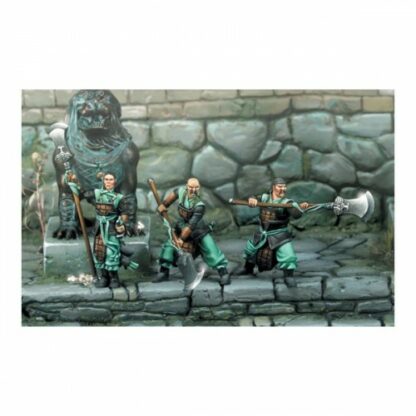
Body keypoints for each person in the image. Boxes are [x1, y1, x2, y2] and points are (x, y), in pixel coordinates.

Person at [66, 171, 138, 288]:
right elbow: (84, 192)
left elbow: (125, 213)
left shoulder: (119, 198)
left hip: (112, 228)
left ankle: (114, 278)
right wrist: (74, 182)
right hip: (99, 228)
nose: (108, 182)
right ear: (103, 181)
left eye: (111, 179)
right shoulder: (97, 193)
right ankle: (104, 277)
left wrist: (121, 222)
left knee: (112, 253)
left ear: (115, 181)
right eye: (106, 179)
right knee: (100, 253)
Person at [154, 177, 230, 285]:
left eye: (196, 188)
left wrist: (181, 239)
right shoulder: (180, 191)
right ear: (187, 187)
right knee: (169, 245)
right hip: (181, 225)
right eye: (191, 187)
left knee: (210, 247)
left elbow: (191, 226)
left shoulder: (199, 206)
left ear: (199, 188)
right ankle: (163, 271)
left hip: (197, 229)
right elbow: (167, 201)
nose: (193, 190)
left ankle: (223, 273)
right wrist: (163, 206)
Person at [236, 177, 309, 287]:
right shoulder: (264, 198)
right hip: (263, 232)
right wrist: (252, 199)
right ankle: (248, 269)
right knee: (250, 249)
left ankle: (288, 276)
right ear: (273, 187)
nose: (283, 189)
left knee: (288, 254)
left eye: (284, 187)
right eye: (280, 187)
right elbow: (254, 197)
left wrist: (300, 208)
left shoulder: (287, 203)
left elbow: (296, 214)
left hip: (279, 234)